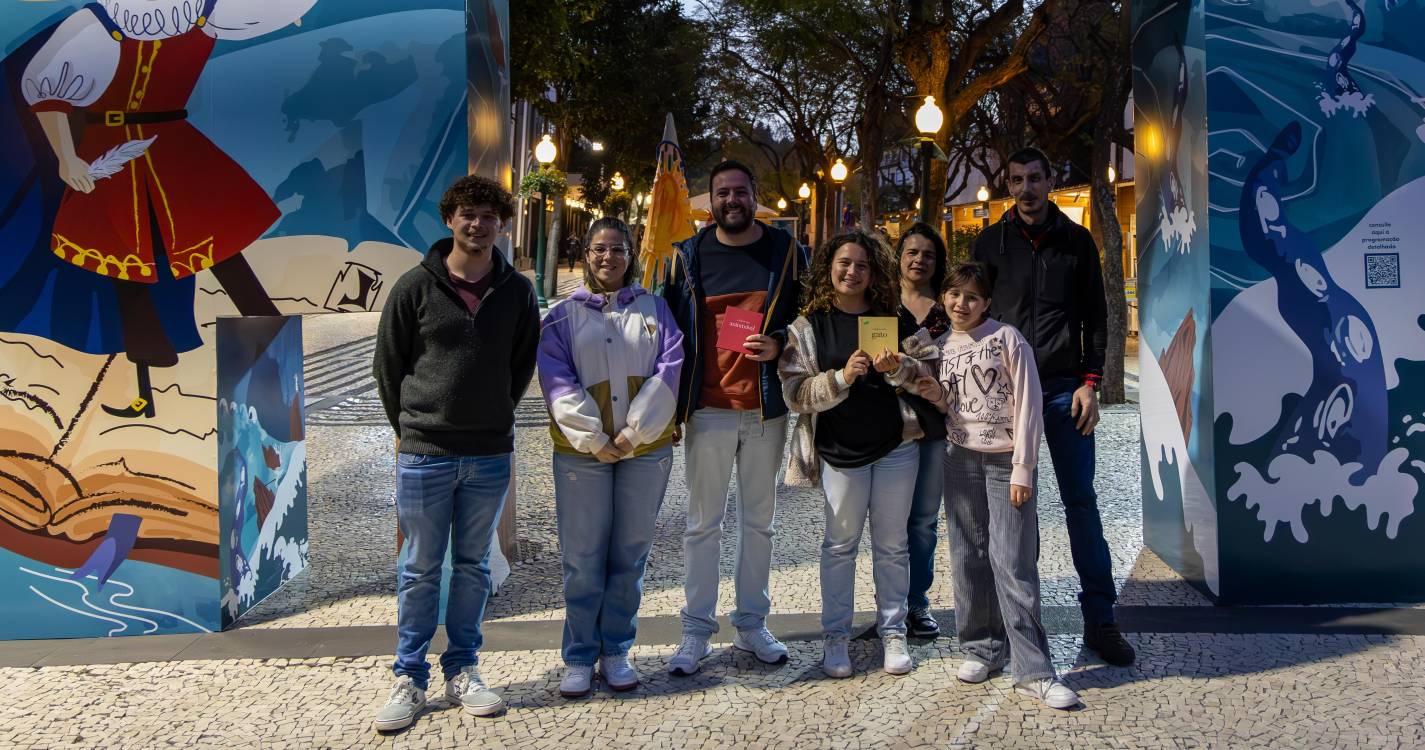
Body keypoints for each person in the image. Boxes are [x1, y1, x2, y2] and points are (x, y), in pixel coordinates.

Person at [371, 175, 539, 731]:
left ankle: (463, 667)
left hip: (489, 454)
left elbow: (521, 366)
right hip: (425, 453)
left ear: (502, 224)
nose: (477, 223)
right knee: (419, 566)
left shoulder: (516, 291)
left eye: (489, 215)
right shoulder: (414, 287)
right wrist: (414, 428)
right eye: (468, 213)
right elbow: (388, 367)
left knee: (472, 568)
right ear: (450, 219)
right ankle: (409, 675)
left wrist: (494, 412)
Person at [972, 147, 1134, 666]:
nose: (1027, 189)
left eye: (1036, 178)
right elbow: (967, 313)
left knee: (1081, 505)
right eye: (1017, 179)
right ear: (1008, 185)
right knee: (1016, 513)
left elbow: (1098, 317)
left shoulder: (1077, 241)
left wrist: (1091, 382)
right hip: (1005, 396)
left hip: (1066, 391)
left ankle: (1101, 620)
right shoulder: (988, 244)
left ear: (1051, 181)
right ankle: (1021, 624)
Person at [661, 160, 809, 675]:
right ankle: (695, 630)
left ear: (755, 195)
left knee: (759, 524)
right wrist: (668, 407)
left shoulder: (787, 253)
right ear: (710, 201)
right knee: (702, 525)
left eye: (740, 192)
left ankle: (751, 624)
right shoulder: (688, 257)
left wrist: (782, 341)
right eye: (722, 192)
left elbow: (811, 319)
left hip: (765, 410)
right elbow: (668, 331)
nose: (731, 200)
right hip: (707, 410)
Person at [916, 261, 1081, 710]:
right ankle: (982, 648)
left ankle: (1034, 670)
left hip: (1006, 460)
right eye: (953, 294)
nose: (961, 303)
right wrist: (935, 394)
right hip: (958, 458)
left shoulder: (1008, 339)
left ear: (987, 302)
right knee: (967, 554)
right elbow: (950, 400)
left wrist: (1024, 467)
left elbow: (1029, 403)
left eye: (971, 296)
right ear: (943, 299)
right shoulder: (939, 344)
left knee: (1013, 561)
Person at [537, 217, 684, 697]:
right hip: (582, 455)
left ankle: (616, 648)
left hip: (645, 452)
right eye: (599, 249)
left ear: (631, 255)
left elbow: (670, 369)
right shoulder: (560, 317)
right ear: (586, 254)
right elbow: (556, 379)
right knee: (582, 558)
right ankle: (580, 655)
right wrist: (594, 438)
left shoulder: (656, 309)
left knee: (629, 554)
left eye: (617, 249)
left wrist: (633, 435)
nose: (608, 258)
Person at [779, 231, 924, 678]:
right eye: (844, 263)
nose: (852, 272)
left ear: (872, 271)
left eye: (862, 265)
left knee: (893, 545)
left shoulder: (892, 317)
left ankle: (893, 632)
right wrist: (840, 378)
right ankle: (835, 637)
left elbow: (927, 370)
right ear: (828, 268)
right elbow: (794, 393)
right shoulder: (807, 326)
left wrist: (899, 369)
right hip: (839, 453)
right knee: (839, 546)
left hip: (895, 448)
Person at [894, 223, 953, 638]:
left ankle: (917, 602)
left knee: (923, 520)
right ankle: (889, 607)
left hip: (934, 426)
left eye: (928, 254)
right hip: (887, 427)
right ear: (899, 257)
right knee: (887, 522)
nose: (919, 260)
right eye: (911, 252)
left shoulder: (950, 308)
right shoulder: (879, 303)